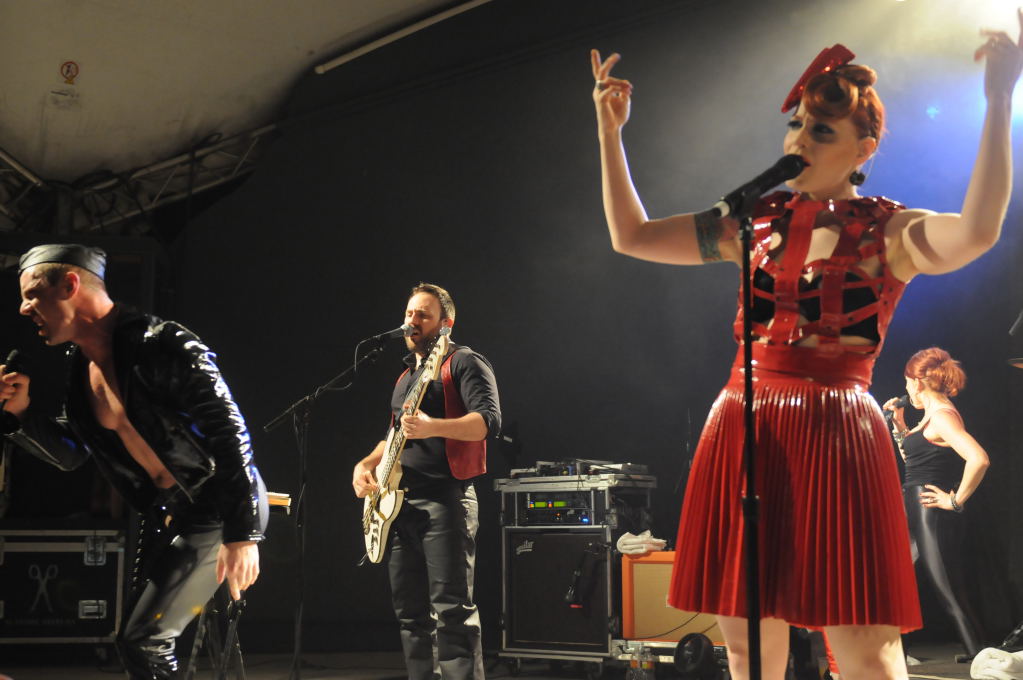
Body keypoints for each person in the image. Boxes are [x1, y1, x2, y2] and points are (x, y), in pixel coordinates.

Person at [590, 11, 1021, 680]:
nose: (798, 139)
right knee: (744, 646)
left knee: (866, 650)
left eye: (820, 130)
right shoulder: (751, 223)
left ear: (863, 148)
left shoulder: (890, 231)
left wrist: (998, 100)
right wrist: (609, 134)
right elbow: (633, 236)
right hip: (742, 423)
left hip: (837, 430)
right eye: (794, 125)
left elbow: (977, 230)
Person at [0, 244, 268, 680]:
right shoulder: (78, 370)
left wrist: (243, 533)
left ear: (70, 285)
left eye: (32, 294)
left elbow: (230, 432)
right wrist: (20, 415)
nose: (23, 308)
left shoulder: (162, 343)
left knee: (143, 641)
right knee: (136, 641)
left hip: (219, 506)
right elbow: (72, 455)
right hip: (172, 513)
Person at [352, 283, 500, 680]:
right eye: (409, 313)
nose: (412, 321)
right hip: (399, 506)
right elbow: (393, 436)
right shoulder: (406, 376)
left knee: (453, 612)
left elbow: (487, 422)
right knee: (411, 615)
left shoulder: (463, 361)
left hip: (445, 501)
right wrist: (364, 465)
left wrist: (434, 426)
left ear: (445, 323)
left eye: (423, 314)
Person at [884, 347, 990, 659]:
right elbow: (912, 461)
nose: (906, 390)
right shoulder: (929, 417)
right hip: (912, 507)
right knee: (898, 585)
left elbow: (979, 459)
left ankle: (982, 656)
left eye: (907, 383)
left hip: (930, 511)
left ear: (917, 382)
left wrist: (955, 500)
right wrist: (899, 424)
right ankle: (898, 652)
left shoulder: (943, 416)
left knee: (947, 589)